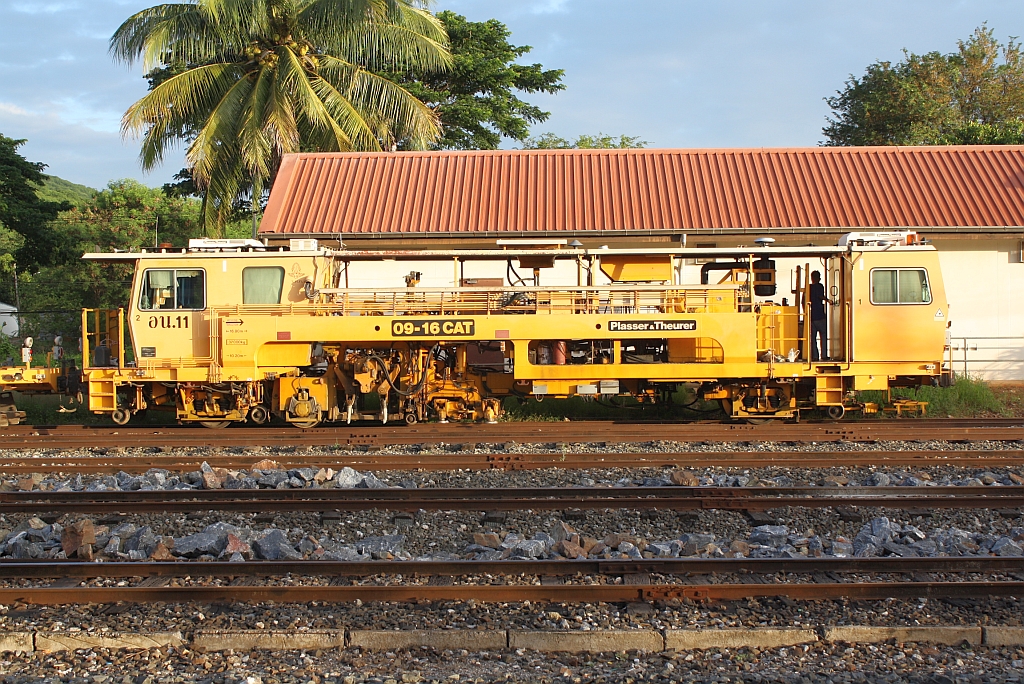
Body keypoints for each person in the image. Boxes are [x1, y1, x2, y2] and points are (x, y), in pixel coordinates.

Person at [809, 270, 827, 361]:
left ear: (811, 278)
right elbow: (821, 296)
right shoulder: (820, 286)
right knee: (823, 335)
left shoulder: (809, 288)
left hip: (812, 316)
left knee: (813, 338)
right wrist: (828, 300)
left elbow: (803, 301)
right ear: (819, 278)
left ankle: (815, 356)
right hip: (820, 315)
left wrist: (806, 313)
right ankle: (824, 355)